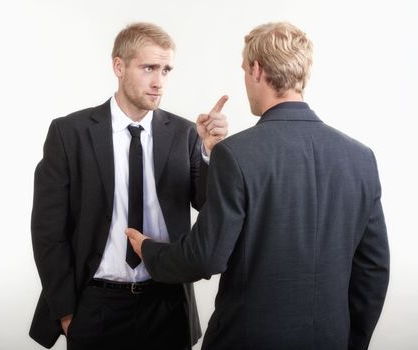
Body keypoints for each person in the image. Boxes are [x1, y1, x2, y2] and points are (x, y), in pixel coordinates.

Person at [127, 22, 390, 350]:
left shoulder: (236, 154)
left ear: (255, 69)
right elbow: (373, 269)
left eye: (243, 69)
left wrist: (150, 250)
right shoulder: (361, 158)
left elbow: (206, 258)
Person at [30, 22, 228, 350]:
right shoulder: (70, 133)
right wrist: (66, 313)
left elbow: (207, 204)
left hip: (167, 303)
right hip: (96, 305)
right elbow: (48, 231)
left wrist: (210, 152)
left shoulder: (185, 134)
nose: (158, 82)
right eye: (149, 68)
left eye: (166, 70)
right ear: (118, 66)